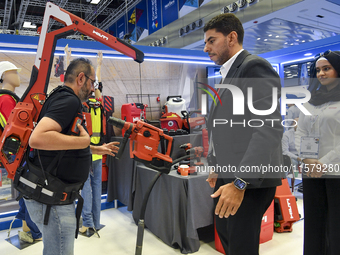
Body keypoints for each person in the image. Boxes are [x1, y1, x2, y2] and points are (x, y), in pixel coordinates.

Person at [204, 13, 284, 255]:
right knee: (228, 239)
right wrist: (216, 164)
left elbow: (268, 128)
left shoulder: (253, 67)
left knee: (241, 247)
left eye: (211, 40)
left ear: (231, 37)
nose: (206, 48)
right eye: (205, 43)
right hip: (230, 176)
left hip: (250, 182)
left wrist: (240, 183)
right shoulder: (229, 74)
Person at [24, 57, 118, 255]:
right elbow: (38, 138)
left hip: (53, 197)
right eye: (93, 82)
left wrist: (93, 149)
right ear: (81, 78)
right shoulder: (69, 100)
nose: (93, 88)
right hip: (54, 201)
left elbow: (59, 141)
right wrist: (85, 142)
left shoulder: (60, 96)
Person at [295, 50, 340, 255]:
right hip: (311, 173)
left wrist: (323, 162)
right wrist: (308, 159)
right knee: (313, 223)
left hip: (336, 173)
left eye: (326, 69)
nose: (321, 73)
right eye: (318, 70)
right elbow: (300, 132)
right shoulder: (310, 102)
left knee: (336, 225)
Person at [0, 61, 42, 243]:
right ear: (4, 75)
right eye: (13, 72)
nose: (17, 75)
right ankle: (33, 231)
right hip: (17, 155)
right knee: (28, 190)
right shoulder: (6, 99)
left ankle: (29, 230)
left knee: (26, 191)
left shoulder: (9, 98)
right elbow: (17, 129)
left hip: (16, 156)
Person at [80, 51, 118, 235]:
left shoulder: (83, 105)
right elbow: (98, 85)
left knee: (85, 188)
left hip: (86, 152)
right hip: (98, 152)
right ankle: (96, 221)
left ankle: (87, 223)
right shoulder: (99, 104)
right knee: (96, 188)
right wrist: (99, 65)